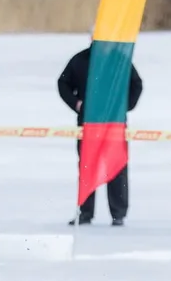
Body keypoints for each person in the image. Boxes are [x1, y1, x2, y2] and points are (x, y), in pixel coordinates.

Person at [57, 46, 143, 226]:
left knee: (117, 166)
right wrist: (76, 104)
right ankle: (85, 212)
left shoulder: (119, 60)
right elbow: (63, 83)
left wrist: (124, 105)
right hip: (88, 124)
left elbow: (136, 83)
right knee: (87, 166)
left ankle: (118, 213)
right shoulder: (80, 59)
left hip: (115, 123)